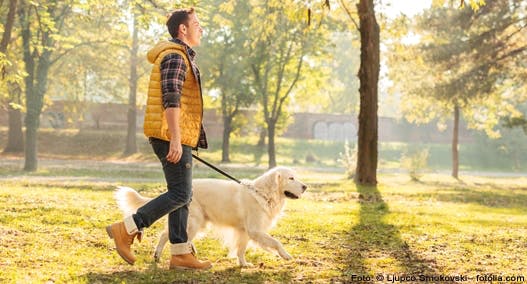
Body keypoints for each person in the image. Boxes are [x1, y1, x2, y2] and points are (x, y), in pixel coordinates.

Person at [106, 7, 211, 270]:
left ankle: (180, 254)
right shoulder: (175, 56)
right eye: (196, 24)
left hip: (177, 135)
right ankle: (127, 228)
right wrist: (176, 139)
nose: (201, 28)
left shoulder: (181, 55)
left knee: (183, 195)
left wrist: (185, 138)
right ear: (182, 29)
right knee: (181, 193)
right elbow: (171, 97)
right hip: (169, 135)